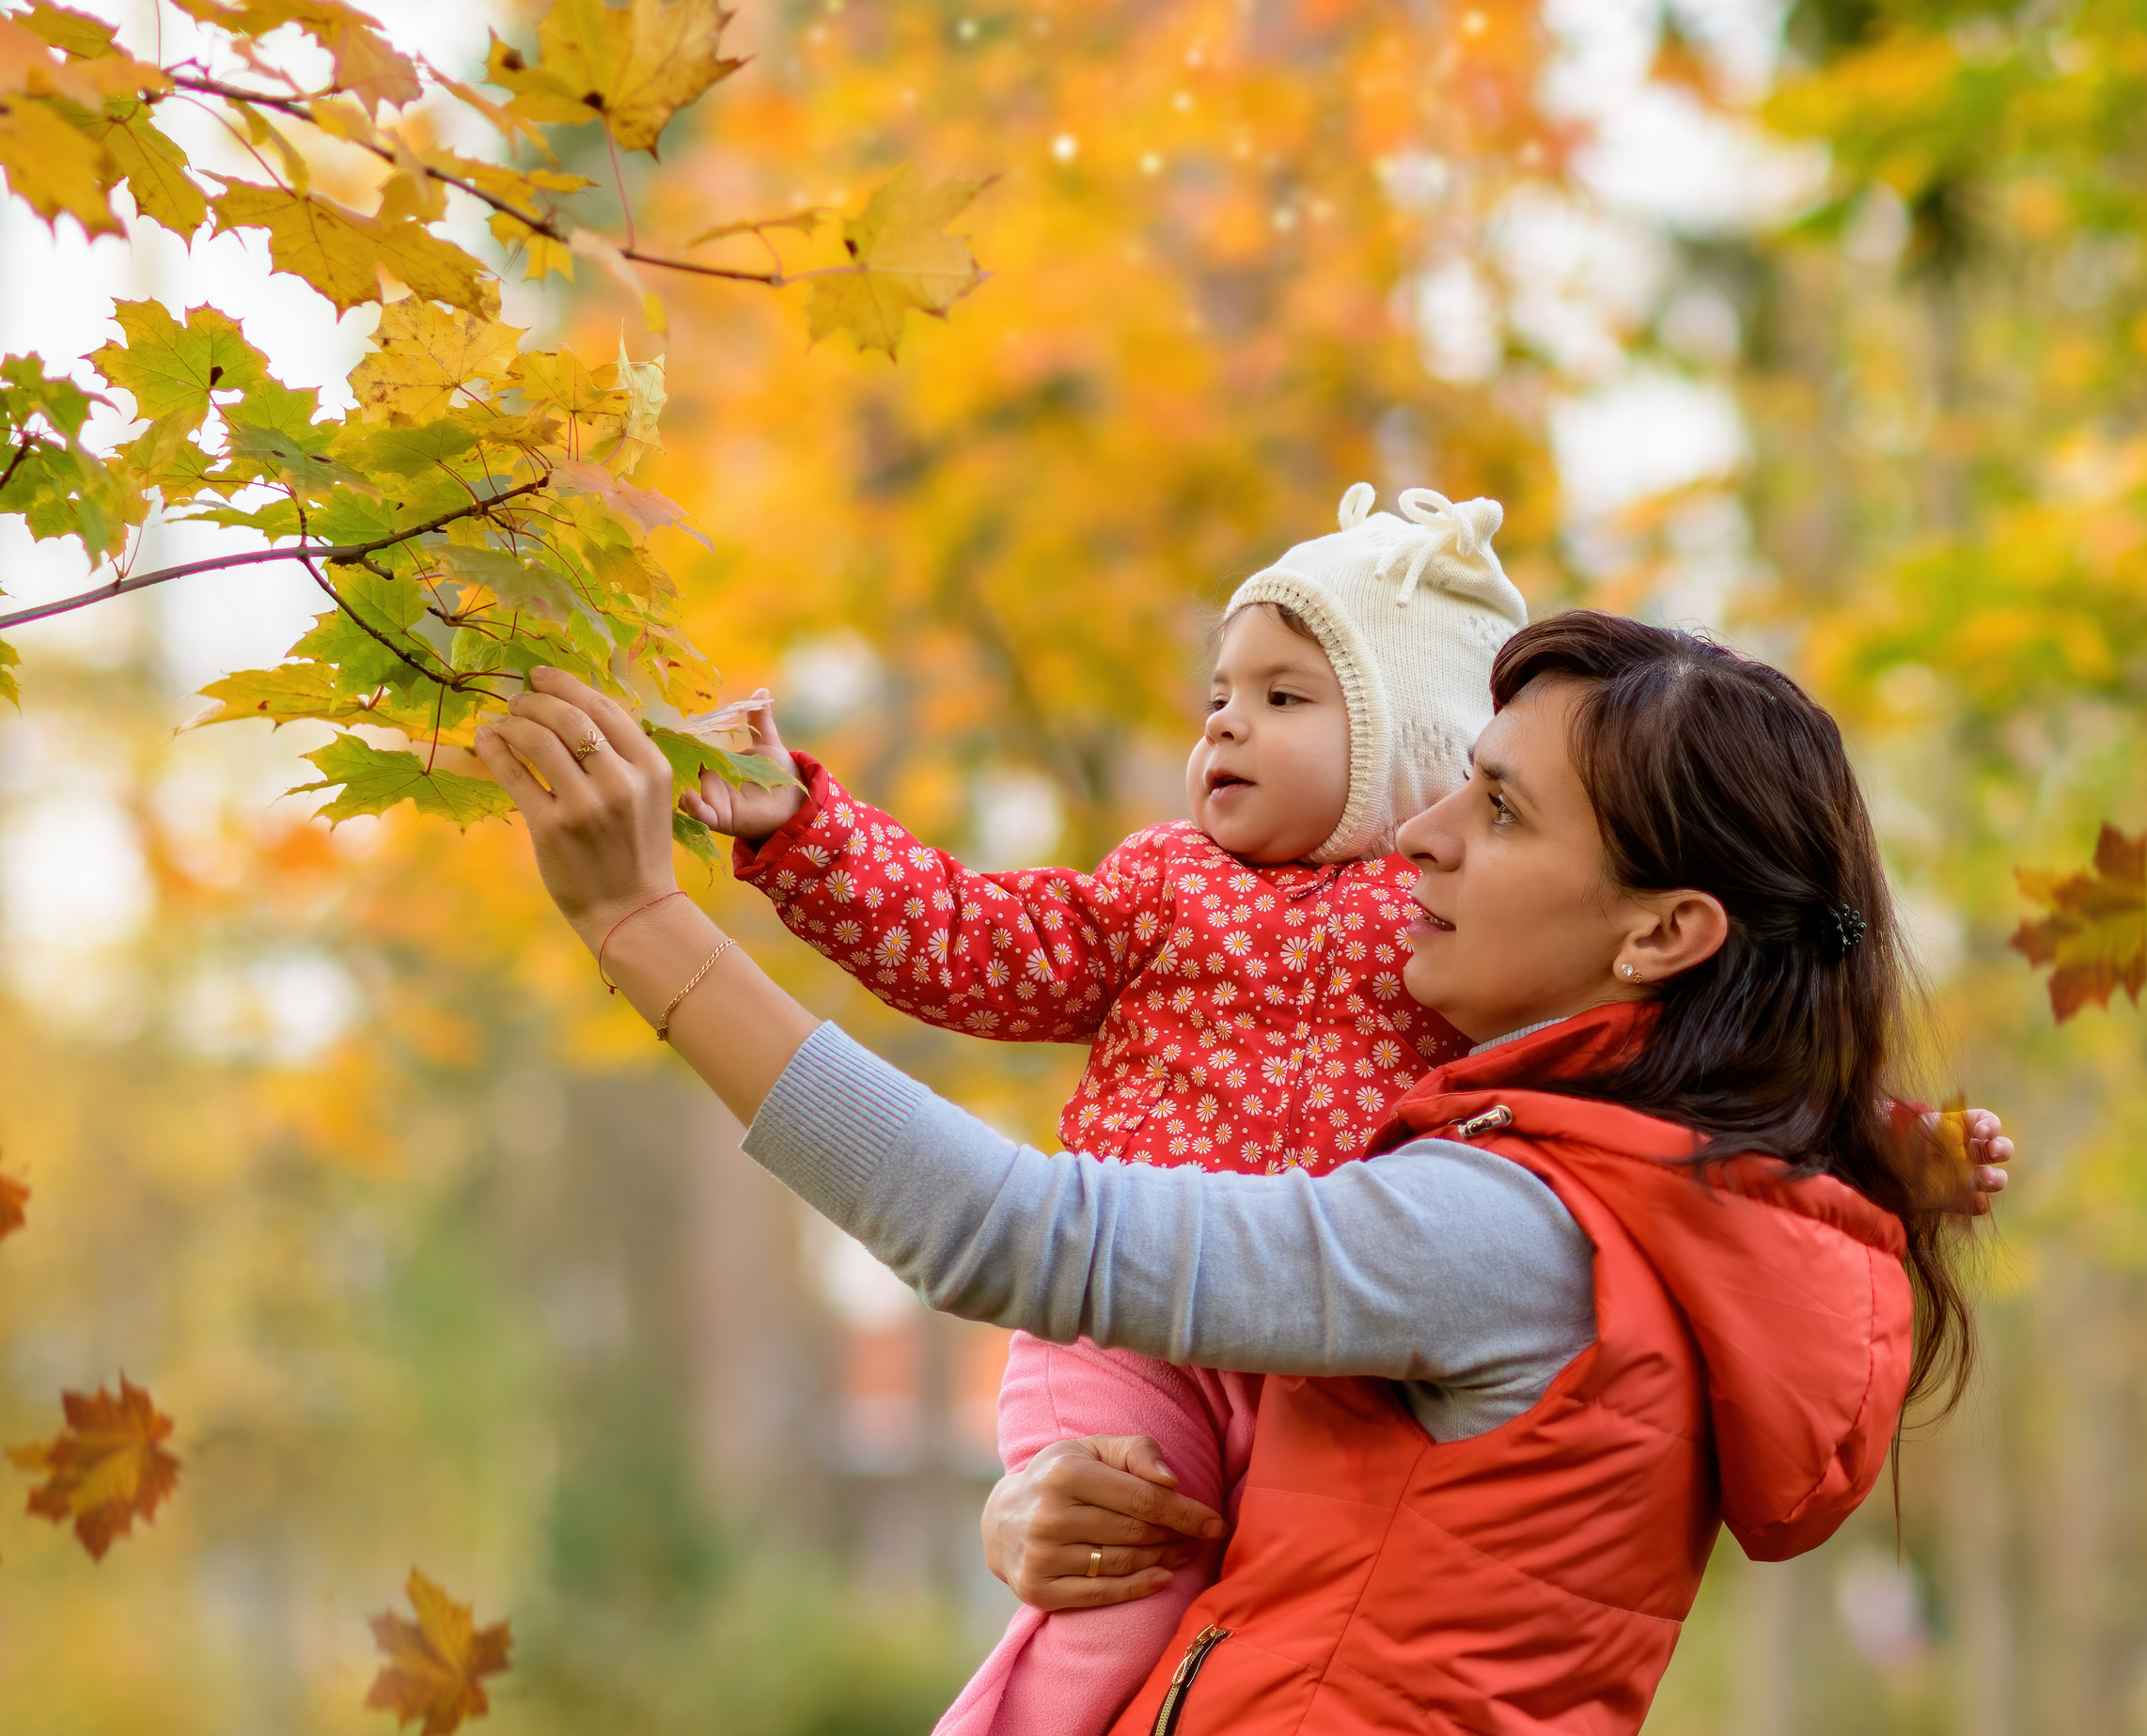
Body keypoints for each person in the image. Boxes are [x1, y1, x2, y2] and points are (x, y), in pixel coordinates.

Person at [473, 610, 2004, 1733]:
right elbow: (1345, 1570)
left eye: (1501, 808)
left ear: (1664, 932)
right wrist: (1051, 1507)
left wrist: (640, 926)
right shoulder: (1612, 1204)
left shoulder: (1517, 1235)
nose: (1418, 833)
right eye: (1456, 779)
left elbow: (1007, 1233)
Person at [680, 483, 1518, 1735]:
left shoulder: (1465, 936)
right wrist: (805, 829)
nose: (1228, 726)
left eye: (1285, 698)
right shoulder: (1160, 889)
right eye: (1219, 698)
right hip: (1119, 1333)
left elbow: (1606, 1067)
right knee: (1119, 1590)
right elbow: (971, 939)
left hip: (1332, 1347)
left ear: (1423, 753)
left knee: (1283, 1607)